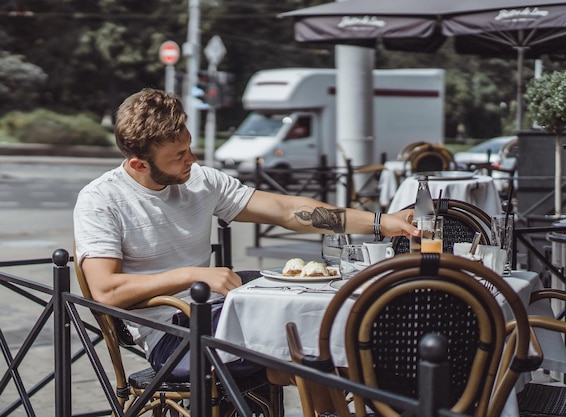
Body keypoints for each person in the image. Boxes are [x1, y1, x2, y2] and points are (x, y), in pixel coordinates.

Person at [73, 88, 418, 397]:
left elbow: (287, 210)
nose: (191, 158)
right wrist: (193, 275)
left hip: (216, 316)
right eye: (178, 155)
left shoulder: (201, 181)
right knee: (316, 352)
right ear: (138, 164)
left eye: (189, 147)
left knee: (326, 330)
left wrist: (380, 222)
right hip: (171, 341)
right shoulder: (101, 200)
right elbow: (106, 291)